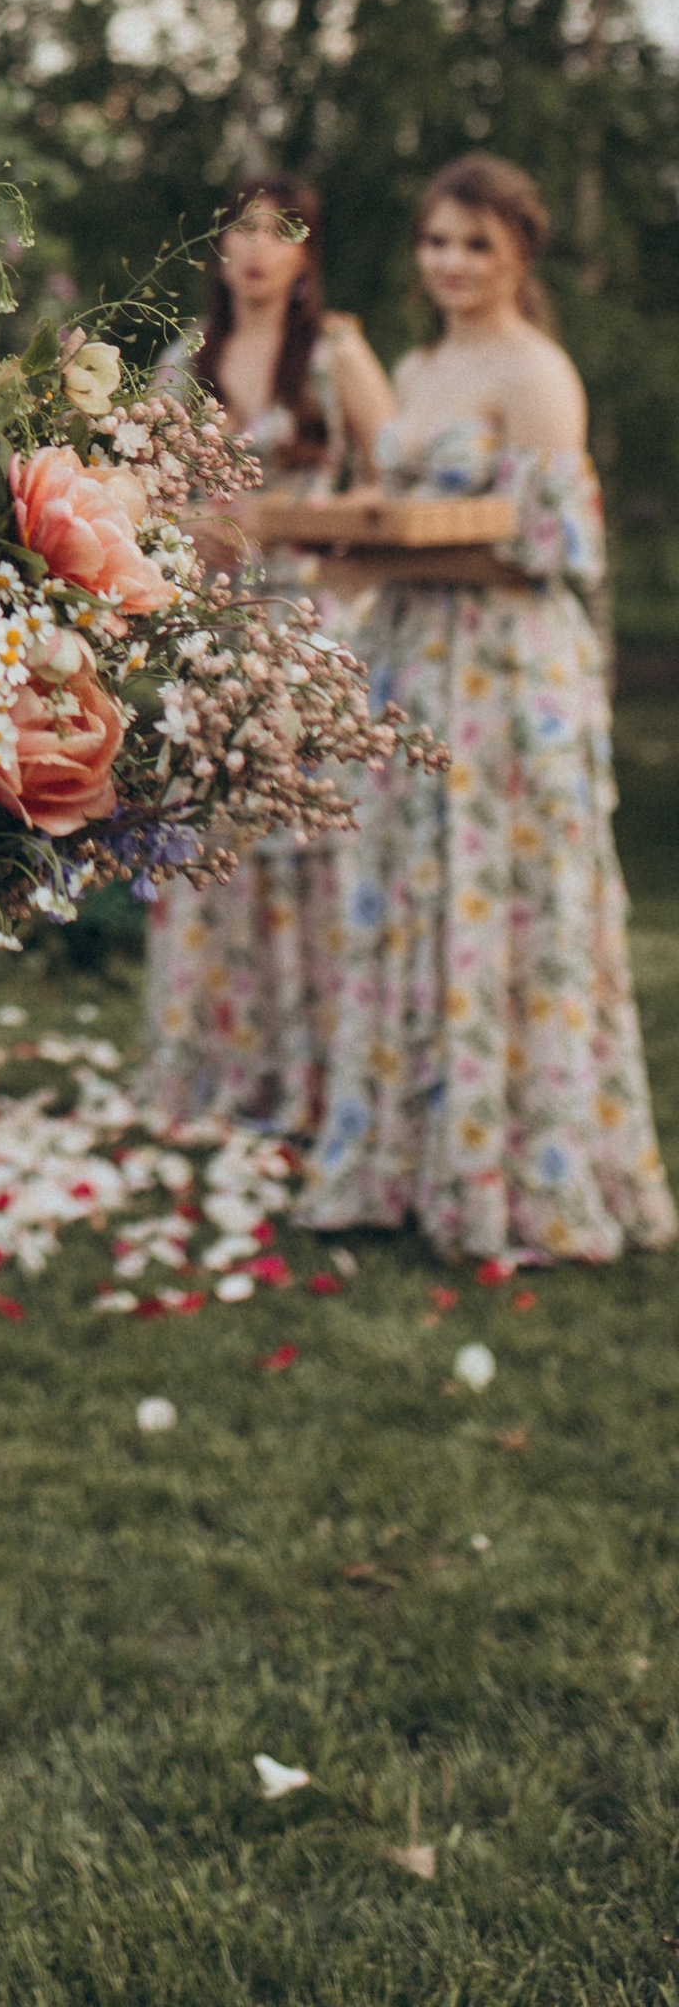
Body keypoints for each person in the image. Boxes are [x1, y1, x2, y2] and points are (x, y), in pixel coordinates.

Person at [303, 154, 675, 1264]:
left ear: (518, 250)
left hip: (507, 674)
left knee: (509, 901)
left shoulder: (536, 372)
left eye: (475, 242)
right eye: (436, 242)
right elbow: (388, 505)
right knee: (413, 896)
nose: (452, 263)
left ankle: (527, 1172)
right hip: (413, 664)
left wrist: (404, 548)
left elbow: (550, 552)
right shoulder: (415, 369)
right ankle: (410, 1161)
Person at [136, 176, 393, 1132]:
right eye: (238, 232)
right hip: (209, 633)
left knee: (310, 850)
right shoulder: (182, 362)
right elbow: (145, 502)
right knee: (210, 847)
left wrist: (345, 597)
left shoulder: (334, 358)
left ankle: (319, 1075)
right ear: (217, 251)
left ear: (305, 255)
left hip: (313, 634)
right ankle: (214, 1071)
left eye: (278, 234)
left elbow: (395, 489)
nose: (254, 250)